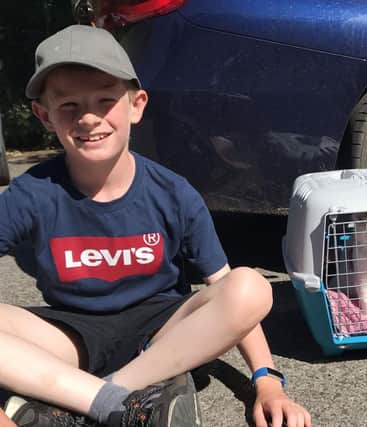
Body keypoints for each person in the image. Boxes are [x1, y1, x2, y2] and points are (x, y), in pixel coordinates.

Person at [0, 24, 311, 427]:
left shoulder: (173, 193)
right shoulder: (33, 193)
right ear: (45, 115)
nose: (89, 118)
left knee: (250, 287)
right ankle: (122, 404)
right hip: (73, 337)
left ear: (136, 104)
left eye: (105, 100)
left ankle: (76, 400)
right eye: (70, 106)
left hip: (162, 336)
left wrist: (267, 382)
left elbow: (228, 292)